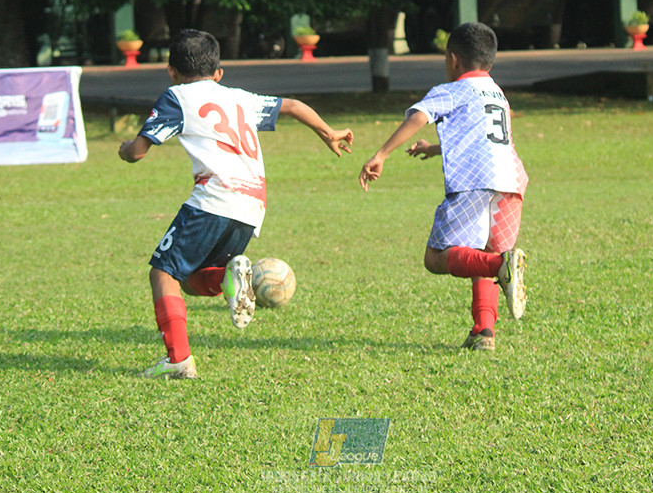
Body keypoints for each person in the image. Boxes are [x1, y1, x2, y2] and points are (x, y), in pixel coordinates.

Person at [120, 29, 354, 378]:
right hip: (251, 204)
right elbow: (291, 105)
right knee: (192, 279)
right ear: (218, 73)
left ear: (171, 70)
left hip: (213, 198)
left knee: (163, 274)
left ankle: (178, 360)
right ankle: (230, 276)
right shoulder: (238, 97)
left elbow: (137, 152)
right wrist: (328, 132)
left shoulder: (176, 96)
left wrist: (125, 148)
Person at [359, 22, 528, 352]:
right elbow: (487, 139)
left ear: (453, 59)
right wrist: (435, 148)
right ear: (489, 62)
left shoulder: (452, 90)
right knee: (482, 254)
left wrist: (381, 154)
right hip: (512, 179)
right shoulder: (497, 93)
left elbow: (419, 117)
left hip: (474, 182)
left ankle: (502, 267)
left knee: (436, 258)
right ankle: (484, 333)